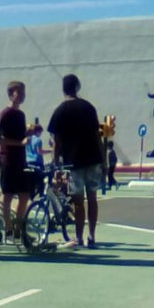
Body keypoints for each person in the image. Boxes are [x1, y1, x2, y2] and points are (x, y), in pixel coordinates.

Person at [48, 74, 104, 248]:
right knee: (93, 198)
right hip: (93, 158)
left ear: (64, 89)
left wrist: (55, 162)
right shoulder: (88, 108)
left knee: (79, 202)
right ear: (77, 87)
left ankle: (79, 237)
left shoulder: (59, 111)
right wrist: (104, 161)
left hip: (73, 162)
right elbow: (97, 135)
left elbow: (56, 142)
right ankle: (92, 236)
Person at [0, 81, 33, 243]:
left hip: (21, 160)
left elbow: (20, 136)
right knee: (7, 196)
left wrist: (28, 132)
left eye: (24, 93)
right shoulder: (5, 114)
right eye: (19, 93)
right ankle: (8, 228)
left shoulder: (21, 115)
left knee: (25, 195)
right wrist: (19, 143)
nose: (22, 96)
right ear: (11, 94)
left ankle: (19, 229)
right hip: (8, 160)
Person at [25, 123, 46, 197]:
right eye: (40, 132)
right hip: (37, 162)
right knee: (41, 181)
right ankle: (41, 197)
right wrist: (50, 151)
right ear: (37, 131)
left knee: (31, 183)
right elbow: (39, 151)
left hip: (28, 162)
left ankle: (31, 198)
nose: (40, 134)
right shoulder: (38, 140)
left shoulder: (27, 139)